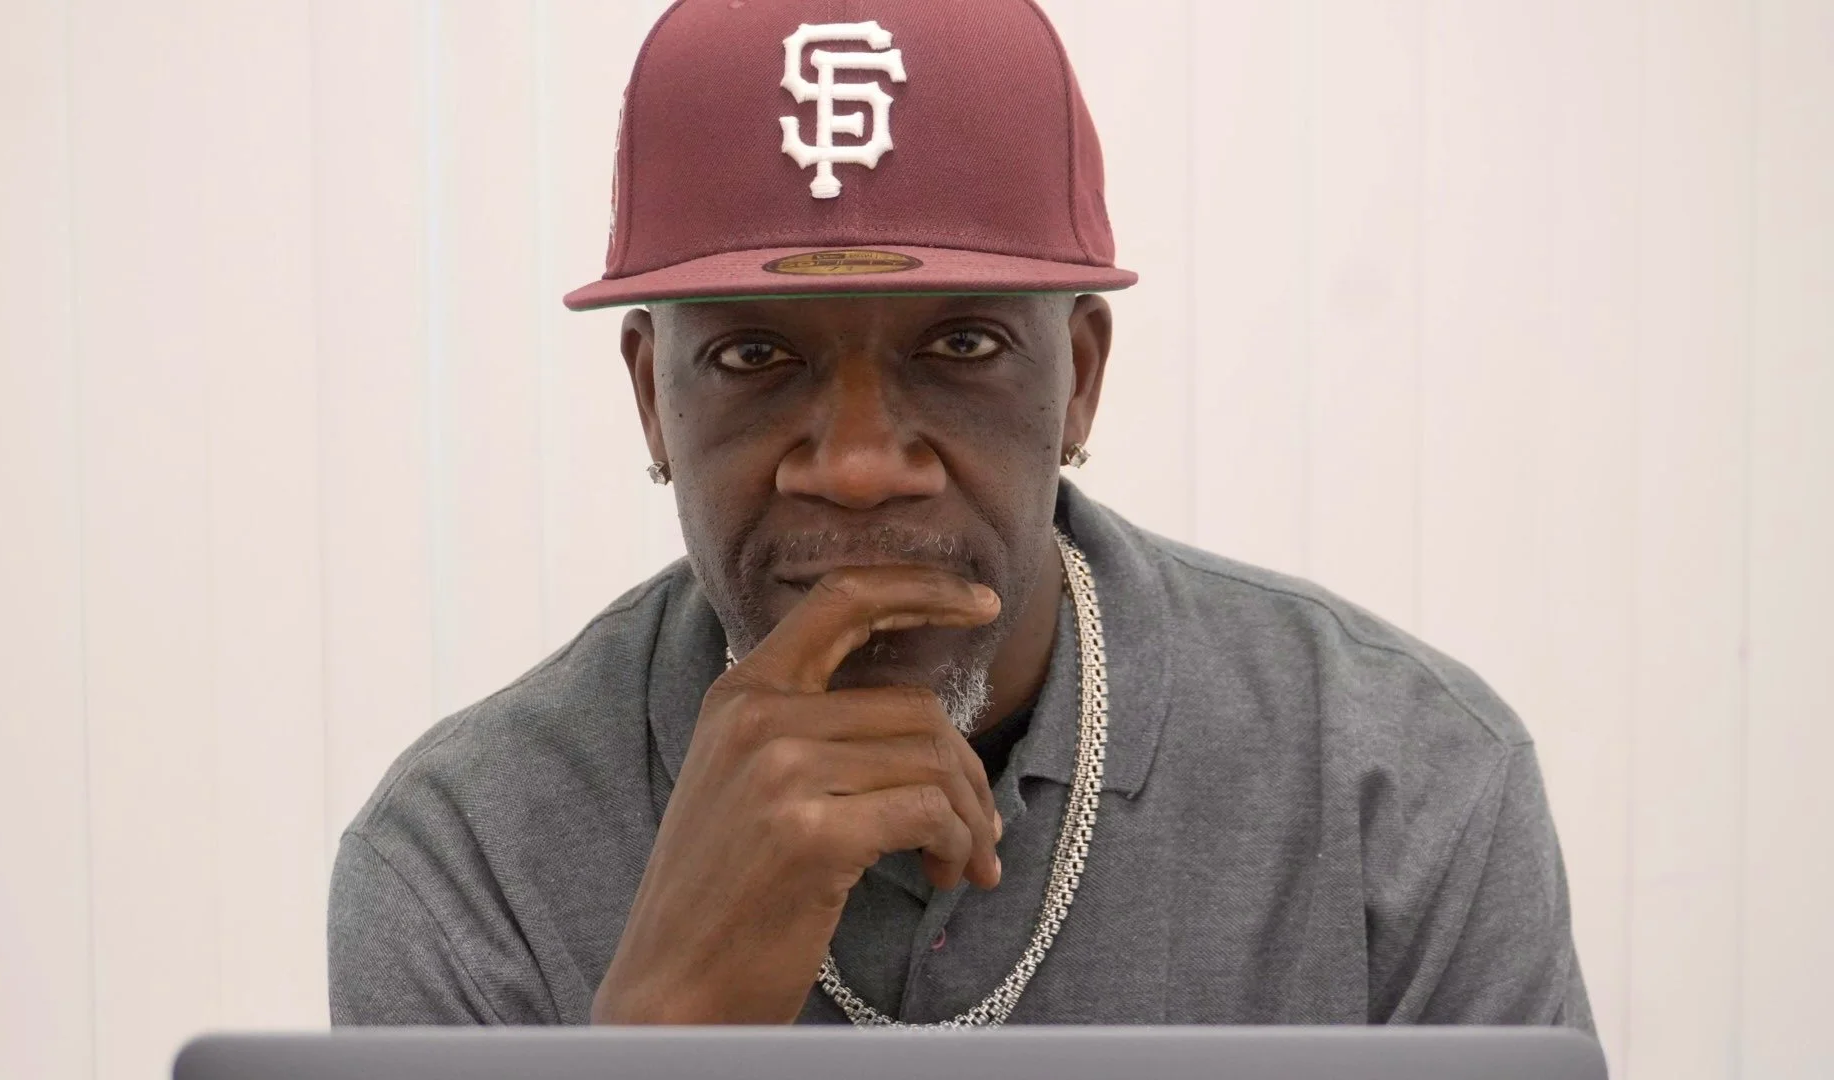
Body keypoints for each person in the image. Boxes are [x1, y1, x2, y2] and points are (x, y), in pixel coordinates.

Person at [328, 0, 1595, 1033]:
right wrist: (675, 1028)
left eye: (965, 342)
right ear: (653, 404)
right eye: (756, 357)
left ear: (1081, 378)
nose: (866, 467)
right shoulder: (463, 858)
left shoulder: (1403, 788)